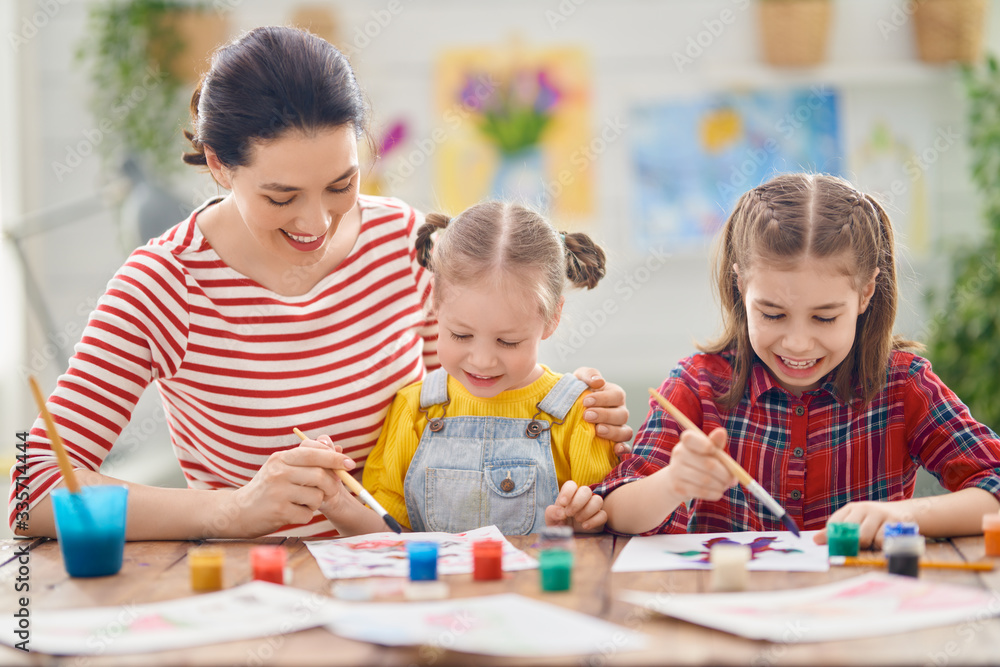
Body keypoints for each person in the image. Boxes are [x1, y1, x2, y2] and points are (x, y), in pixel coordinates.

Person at [9, 26, 632, 540]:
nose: (316, 223)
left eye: (341, 186)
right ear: (221, 166)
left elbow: (466, 403)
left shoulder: (404, 244)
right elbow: (31, 487)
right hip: (254, 592)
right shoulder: (164, 285)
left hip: (403, 574)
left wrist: (579, 416)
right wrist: (229, 509)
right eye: (282, 196)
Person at [597, 173, 1000, 548]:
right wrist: (673, 483)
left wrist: (906, 515)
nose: (798, 343)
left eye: (825, 317)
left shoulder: (902, 385)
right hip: (731, 613)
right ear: (741, 286)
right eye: (773, 314)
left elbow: (994, 484)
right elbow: (615, 507)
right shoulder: (698, 384)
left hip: (863, 611)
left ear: (865, 293)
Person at [354, 201, 615, 536]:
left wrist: (585, 522)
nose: (482, 360)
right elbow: (386, 527)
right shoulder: (413, 409)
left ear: (552, 319)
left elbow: (603, 524)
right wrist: (334, 501)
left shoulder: (579, 414)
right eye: (460, 335)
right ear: (436, 304)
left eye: (507, 342)